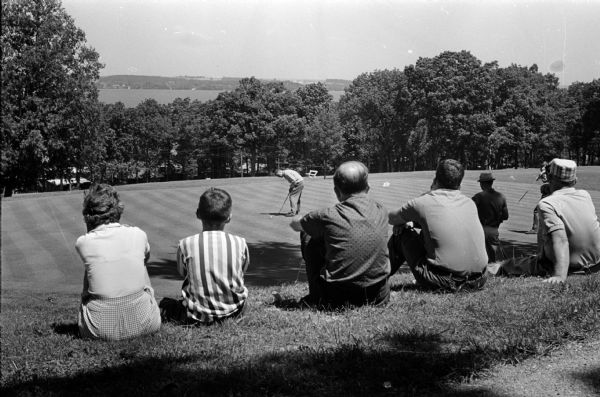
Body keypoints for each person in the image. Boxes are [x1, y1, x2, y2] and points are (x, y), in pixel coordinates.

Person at [289, 161, 390, 307]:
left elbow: (295, 224)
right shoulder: (381, 210)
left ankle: (316, 297)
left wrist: (309, 220)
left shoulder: (327, 215)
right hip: (379, 296)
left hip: (337, 299)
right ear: (367, 188)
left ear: (337, 192)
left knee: (308, 234)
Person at [76, 183, 161, 340]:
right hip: (147, 324)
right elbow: (145, 259)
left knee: (90, 268)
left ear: (88, 215)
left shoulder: (83, 242)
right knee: (141, 261)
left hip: (99, 330)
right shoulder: (138, 234)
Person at [388, 159, 488, 292]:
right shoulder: (469, 203)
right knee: (424, 230)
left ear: (436, 179)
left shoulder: (422, 202)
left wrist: (404, 223)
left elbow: (391, 218)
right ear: (460, 182)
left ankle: (376, 281)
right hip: (479, 279)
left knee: (402, 233)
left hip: (445, 281)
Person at [497, 159, 600, 283]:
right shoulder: (585, 195)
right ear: (575, 180)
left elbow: (560, 240)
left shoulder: (547, 203)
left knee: (501, 266)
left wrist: (559, 276)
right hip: (594, 265)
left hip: (569, 268)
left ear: (549, 177)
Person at [160, 188, 249, 324]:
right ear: (229, 217)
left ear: (198, 214)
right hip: (235, 310)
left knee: (165, 304)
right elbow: (242, 270)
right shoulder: (240, 242)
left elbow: (182, 273)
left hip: (197, 314)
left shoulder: (185, 244)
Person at [472, 172, 509, 262]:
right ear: (491, 182)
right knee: (494, 256)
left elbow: (469, 211)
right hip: (493, 229)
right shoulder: (501, 197)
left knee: (480, 255)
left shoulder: (478, 197)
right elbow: (505, 216)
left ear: (482, 183)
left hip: (480, 229)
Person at [527, 161, 551, 233]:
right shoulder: (547, 172)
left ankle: (535, 229)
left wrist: (541, 174)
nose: (541, 168)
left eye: (543, 166)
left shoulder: (545, 171)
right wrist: (540, 177)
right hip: (549, 193)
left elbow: (546, 178)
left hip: (547, 193)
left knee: (537, 210)